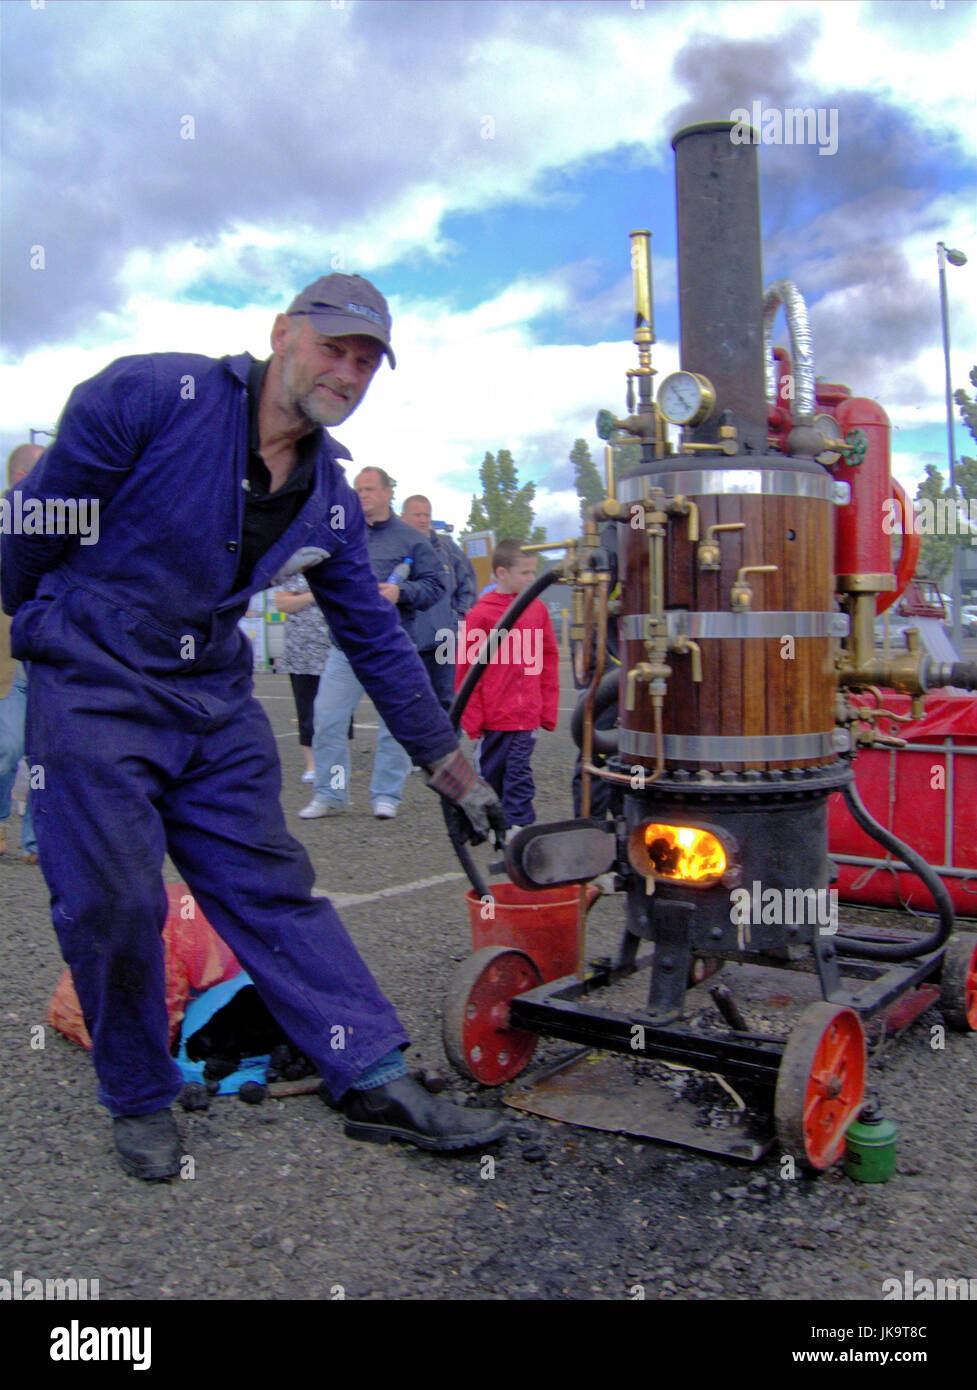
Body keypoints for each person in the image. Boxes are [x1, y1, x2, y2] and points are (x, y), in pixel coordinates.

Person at [1, 273, 507, 1180]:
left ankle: (371, 1075)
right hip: (96, 684)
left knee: (272, 887)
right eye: (331, 346)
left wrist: (452, 769)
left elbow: (376, 641)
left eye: (364, 361)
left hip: (212, 697)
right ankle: (139, 1094)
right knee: (114, 900)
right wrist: (46, 627)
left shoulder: (330, 502)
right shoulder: (153, 396)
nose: (346, 371)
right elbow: (34, 527)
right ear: (281, 333)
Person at [299, 466, 444, 821]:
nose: (361, 495)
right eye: (358, 489)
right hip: (344, 648)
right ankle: (331, 793)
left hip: (391, 651)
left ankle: (387, 795)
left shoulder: (412, 539)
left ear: (386, 493)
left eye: (368, 489)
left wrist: (401, 591)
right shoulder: (341, 531)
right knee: (328, 721)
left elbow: (436, 586)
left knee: (393, 728)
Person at [455, 539, 559, 834]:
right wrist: (473, 720)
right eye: (525, 572)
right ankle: (488, 823)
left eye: (533, 572)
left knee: (518, 772)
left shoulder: (536, 610)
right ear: (502, 572)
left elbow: (548, 658)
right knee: (491, 774)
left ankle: (519, 827)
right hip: (494, 718)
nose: (531, 579)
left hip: (526, 716)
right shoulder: (481, 615)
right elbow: (467, 670)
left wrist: (546, 708)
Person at [0, 443, 43, 863]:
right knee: (7, 749)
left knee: (42, 758)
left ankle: (35, 840)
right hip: (7, 664)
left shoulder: (62, 522)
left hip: (47, 660)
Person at [401, 494, 477, 711]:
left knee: (449, 700)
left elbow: (468, 584)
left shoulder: (448, 548)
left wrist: (459, 617)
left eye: (427, 515)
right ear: (404, 517)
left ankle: (451, 744)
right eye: (417, 515)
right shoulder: (397, 549)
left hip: (445, 640)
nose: (423, 520)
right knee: (415, 702)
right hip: (411, 642)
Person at [273, 571, 332, 783]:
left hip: (335, 651)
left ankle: (334, 764)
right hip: (302, 654)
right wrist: (312, 595)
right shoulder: (292, 573)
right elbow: (281, 604)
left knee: (337, 713)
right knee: (306, 710)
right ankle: (312, 766)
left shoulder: (336, 567)